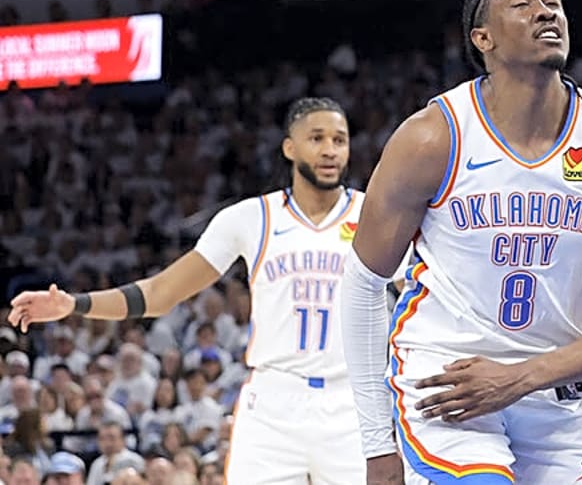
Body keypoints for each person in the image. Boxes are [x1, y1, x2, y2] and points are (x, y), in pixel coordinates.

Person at [341, 0, 582, 485]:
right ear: (483, 38)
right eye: (522, 4)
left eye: (553, 1)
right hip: (448, 387)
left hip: (555, 390)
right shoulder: (433, 137)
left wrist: (522, 378)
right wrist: (377, 445)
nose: (546, 11)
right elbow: (362, 285)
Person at [8, 97, 368, 484]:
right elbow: (162, 292)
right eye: (317, 138)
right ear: (289, 147)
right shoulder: (251, 217)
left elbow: (420, 292)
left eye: (339, 140)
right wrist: (73, 304)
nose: (330, 150)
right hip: (273, 402)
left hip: (349, 401)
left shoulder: (373, 214)